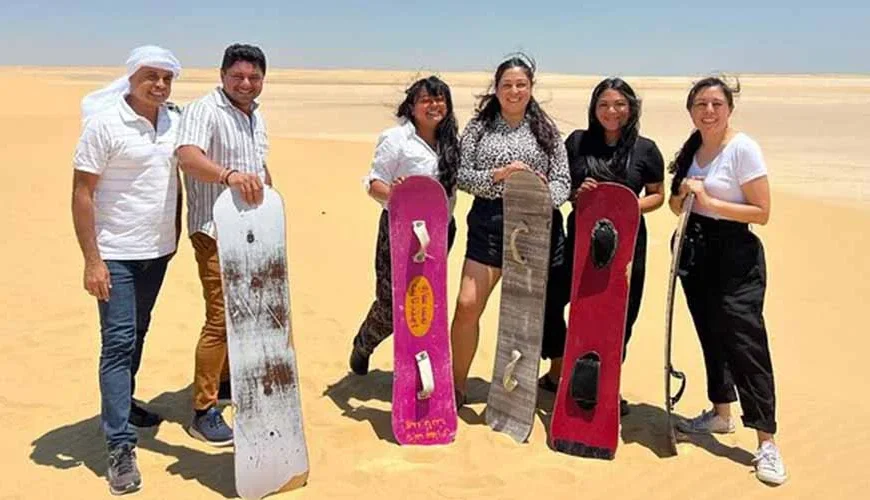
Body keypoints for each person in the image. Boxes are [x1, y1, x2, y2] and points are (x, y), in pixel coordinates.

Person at [72, 45, 182, 495]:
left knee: (138, 331)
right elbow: (82, 192)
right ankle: (119, 445)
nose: (159, 85)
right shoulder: (105, 124)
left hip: (157, 251)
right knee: (117, 341)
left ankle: (123, 402)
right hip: (115, 252)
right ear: (132, 78)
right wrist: (92, 260)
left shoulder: (175, 122)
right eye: (150, 76)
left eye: (166, 78)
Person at [668, 76, 786, 485]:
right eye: (701, 104)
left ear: (729, 109)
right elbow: (674, 204)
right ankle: (720, 413)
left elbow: (762, 212)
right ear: (691, 111)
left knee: (745, 341)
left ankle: (767, 441)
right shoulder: (693, 149)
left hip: (736, 255)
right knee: (710, 334)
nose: (709, 111)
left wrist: (711, 201)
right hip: (695, 251)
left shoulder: (742, 148)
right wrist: (685, 196)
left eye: (716, 103)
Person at [538, 78, 665, 417]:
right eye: (604, 104)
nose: (612, 111)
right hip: (579, 241)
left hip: (626, 246)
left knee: (621, 315)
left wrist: (627, 206)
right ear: (594, 108)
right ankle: (559, 366)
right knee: (551, 299)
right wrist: (577, 194)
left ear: (631, 108)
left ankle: (607, 382)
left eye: (620, 104)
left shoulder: (645, 149)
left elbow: (658, 194)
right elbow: (561, 185)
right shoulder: (577, 143)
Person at [450, 55, 571, 406]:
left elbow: (563, 180)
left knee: (528, 316)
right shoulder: (479, 127)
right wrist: (497, 177)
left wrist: (542, 194)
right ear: (497, 88)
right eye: (507, 85)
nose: (514, 91)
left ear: (531, 88)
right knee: (467, 304)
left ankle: (517, 393)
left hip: (535, 228)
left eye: (521, 84)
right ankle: (457, 385)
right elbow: (460, 174)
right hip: (489, 223)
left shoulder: (546, 130)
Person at [175, 43, 270, 447]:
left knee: (245, 311)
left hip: (251, 228)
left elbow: (259, 165)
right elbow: (187, 156)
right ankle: (203, 409)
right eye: (238, 76)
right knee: (220, 316)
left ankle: (228, 382)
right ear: (222, 75)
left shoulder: (255, 116)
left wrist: (271, 201)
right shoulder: (204, 110)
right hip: (214, 228)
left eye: (253, 77)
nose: (246, 83)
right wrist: (227, 175)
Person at [349, 76, 461, 375]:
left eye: (440, 99)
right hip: (399, 232)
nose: (434, 105)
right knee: (390, 303)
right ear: (412, 106)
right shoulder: (395, 139)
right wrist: (396, 195)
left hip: (440, 233)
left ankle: (415, 370)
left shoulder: (451, 142)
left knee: (423, 301)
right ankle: (364, 342)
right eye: (426, 99)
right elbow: (374, 183)